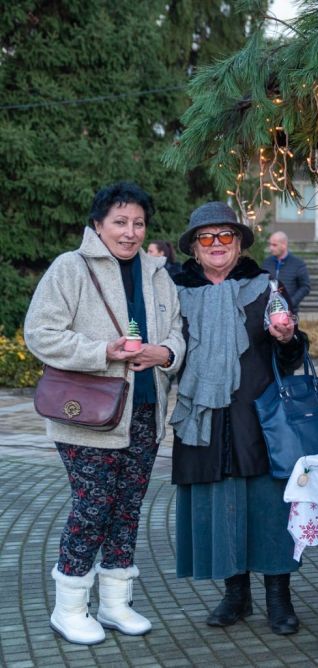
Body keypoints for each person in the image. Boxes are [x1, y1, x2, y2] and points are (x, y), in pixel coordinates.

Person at [24, 182, 185, 645]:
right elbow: (40, 333)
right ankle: (69, 606)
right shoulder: (69, 269)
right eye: (119, 222)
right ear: (98, 225)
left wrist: (165, 353)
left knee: (128, 508)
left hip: (145, 411)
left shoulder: (157, 272)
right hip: (87, 414)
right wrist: (104, 352)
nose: (130, 232)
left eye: (138, 223)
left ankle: (115, 602)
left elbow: (176, 331)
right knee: (93, 507)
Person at [170, 202, 306, 635]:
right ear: (193, 247)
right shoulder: (176, 294)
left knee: (267, 507)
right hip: (204, 419)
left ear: (238, 243)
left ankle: (279, 599)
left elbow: (291, 352)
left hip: (258, 417)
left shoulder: (266, 289)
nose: (216, 245)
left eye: (224, 236)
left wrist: (287, 338)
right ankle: (235, 595)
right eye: (206, 238)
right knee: (221, 506)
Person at [263, 231, 311, 312]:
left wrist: (290, 302)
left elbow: (305, 287)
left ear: (284, 245)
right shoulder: (266, 263)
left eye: (274, 245)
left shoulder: (298, 264)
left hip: (290, 313)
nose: (271, 248)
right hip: (268, 312)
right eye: (270, 244)